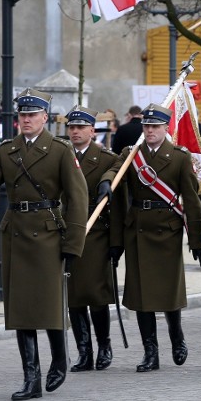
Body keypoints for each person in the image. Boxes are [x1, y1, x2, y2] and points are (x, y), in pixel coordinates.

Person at [0, 88, 88, 400]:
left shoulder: (60, 150)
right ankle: (32, 378)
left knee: (50, 304)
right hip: (16, 234)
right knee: (21, 311)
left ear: (44, 117)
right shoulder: (7, 150)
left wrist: (73, 244)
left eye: (32, 115)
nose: (26, 120)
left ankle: (59, 359)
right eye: (22, 115)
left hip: (49, 235)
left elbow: (78, 199)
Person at [97, 103, 201, 373]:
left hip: (167, 230)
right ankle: (150, 352)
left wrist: (197, 240)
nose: (150, 131)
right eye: (146, 126)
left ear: (165, 128)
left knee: (168, 293)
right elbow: (116, 170)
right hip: (139, 230)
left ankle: (176, 337)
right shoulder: (132, 153)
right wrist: (106, 182)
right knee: (142, 296)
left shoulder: (179, 157)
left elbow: (192, 201)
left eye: (155, 126)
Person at [64, 106, 126, 372]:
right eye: (72, 127)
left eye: (81, 128)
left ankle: (104, 345)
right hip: (68, 231)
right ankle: (84, 352)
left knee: (97, 295)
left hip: (97, 233)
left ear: (92, 130)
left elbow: (119, 204)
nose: (75, 132)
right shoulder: (61, 155)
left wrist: (116, 242)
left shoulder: (106, 158)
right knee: (74, 298)